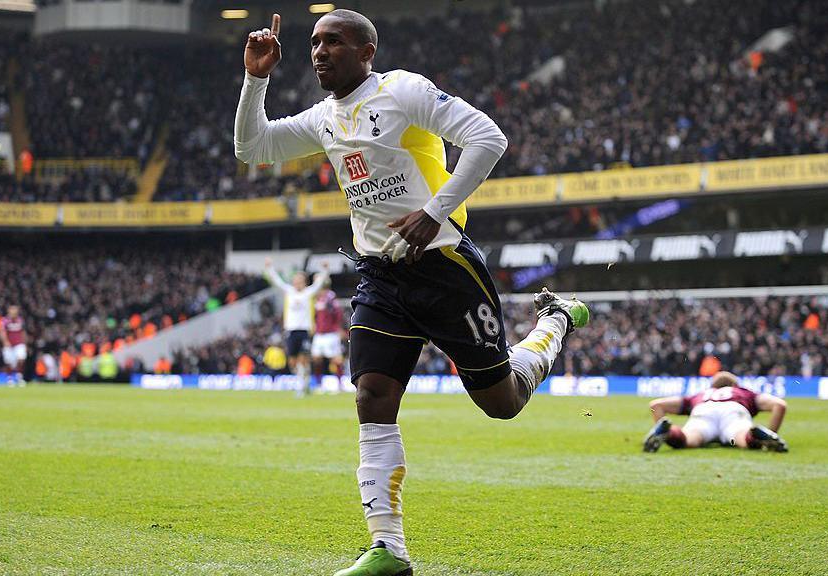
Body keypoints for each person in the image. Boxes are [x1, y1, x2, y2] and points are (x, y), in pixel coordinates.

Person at [235, 10, 590, 575]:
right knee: (373, 397)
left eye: (333, 41)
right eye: (313, 43)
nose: (320, 52)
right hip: (380, 276)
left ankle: (554, 323)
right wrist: (256, 80)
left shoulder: (403, 91)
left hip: (445, 267)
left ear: (366, 51)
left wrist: (433, 212)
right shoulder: (324, 118)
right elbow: (252, 148)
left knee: (502, 403)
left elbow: (488, 138)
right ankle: (388, 549)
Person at [642, 371, 789, 453]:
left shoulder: (701, 394)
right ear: (734, 385)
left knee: (687, 439)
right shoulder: (742, 392)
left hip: (703, 410)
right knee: (742, 437)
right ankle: (759, 437)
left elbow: (656, 405)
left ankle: (668, 433)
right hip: (734, 411)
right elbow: (779, 405)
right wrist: (772, 432)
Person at [264, 258, 330, 395]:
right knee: (293, 361)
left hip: (304, 330)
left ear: (304, 283)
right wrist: (270, 268)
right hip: (291, 330)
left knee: (303, 359)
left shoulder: (308, 293)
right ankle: (303, 381)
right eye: (295, 281)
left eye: (300, 281)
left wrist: (325, 269)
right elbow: (277, 281)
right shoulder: (289, 291)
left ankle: (302, 387)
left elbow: (319, 283)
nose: (297, 283)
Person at [311, 287, 346, 384]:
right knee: (316, 359)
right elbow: (315, 316)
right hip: (319, 334)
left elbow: (338, 314)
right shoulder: (316, 299)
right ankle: (318, 383)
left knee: (336, 359)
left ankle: (340, 384)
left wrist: (338, 327)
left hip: (331, 334)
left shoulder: (331, 298)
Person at [0, 305, 28, 379]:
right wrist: (5, 341)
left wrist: (25, 343)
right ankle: (9, 378)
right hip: (9, 345)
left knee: (21, 359)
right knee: (9, 363)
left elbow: (23, 332)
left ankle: (19, 376)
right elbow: (2, 332)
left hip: (19, 343)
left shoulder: (20, 320)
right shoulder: (5, 320)